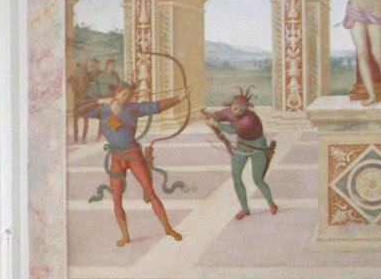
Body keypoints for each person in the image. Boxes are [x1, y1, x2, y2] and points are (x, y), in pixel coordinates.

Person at [79, 81, 184, 246]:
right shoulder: (102, 110)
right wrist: (99, 101)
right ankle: (125, 236)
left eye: (128, 95)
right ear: (115, 94)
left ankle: (168, 229)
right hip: (116, 157)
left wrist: (181, 97)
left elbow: (157, 106)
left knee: (149, 190)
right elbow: (81, 111)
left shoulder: (133, 108)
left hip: (133, 154)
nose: (125, 97)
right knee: (117, 199)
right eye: (122, 93)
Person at [204, 92, 278, 219]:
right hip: (241, 147)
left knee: (258, 179)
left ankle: (272, 204)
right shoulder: (230, 111)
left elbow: (233, 130)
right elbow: (218, 115)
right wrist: (210, 115)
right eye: (233, 107)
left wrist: (217, 125)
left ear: (245, 109)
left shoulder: (250, 119)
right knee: (236, 176)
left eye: (239, 108)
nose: (235, 110)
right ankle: (244, 209)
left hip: (257, 148)